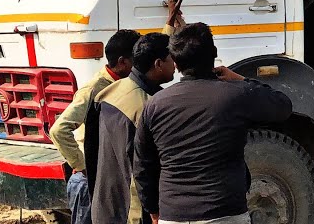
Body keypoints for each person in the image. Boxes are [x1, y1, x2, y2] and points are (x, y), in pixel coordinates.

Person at [134, 23, 293, 224]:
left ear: (175, 63)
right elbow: (282, 106)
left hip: (173, 214)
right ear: (214, 54)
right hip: (225, 213)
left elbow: (142, 165)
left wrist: (154, 211)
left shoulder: (155, 104)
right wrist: (240, 80)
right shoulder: (236, 95)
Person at [51, 29, 141, 224]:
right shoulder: (95, 89)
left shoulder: (122, 82)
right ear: (123, 62)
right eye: (137, 60)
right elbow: (59, 130)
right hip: (88, 182)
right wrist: (82, 166)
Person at [87, 33, 177, 224]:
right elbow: (143, 169)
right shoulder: (149, 107)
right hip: (132, 212)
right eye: (172, 59)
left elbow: (92, 151)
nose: (175, 66)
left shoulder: (109, 92)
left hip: (104, 206)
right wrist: (154, 210)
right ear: (158, 64)